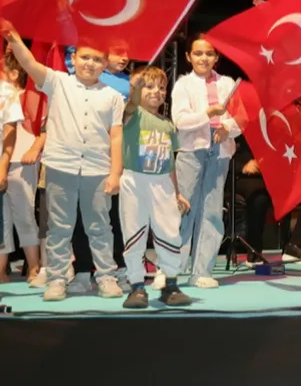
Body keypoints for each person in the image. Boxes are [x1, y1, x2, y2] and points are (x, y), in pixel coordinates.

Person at [2, 23, 125, 302]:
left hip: (97, 169)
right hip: (61, 167)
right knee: (59, 227)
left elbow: (116, 136)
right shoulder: (57, 82)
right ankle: (57, 279)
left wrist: (115, 173)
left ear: (105, 63)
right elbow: (29, 63)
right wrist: (14, 37)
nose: (90, 63)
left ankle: (106, 276)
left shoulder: (112, 96)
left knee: (100, 227)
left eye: (97, 59)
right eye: (85, 57)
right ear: (73, 58)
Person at [170, 35, 241, 290]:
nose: (204, 58)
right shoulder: (183, 84)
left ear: (216, 57)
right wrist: (208, 114)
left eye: (209, 53)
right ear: (188, 57)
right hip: (191, 151)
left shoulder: (228, 83)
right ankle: (171, 267)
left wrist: (228, 128)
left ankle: (202, 271)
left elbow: (241, 117)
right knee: (183, 207)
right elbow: (180, 120)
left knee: (211, 211)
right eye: (198, 53)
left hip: (219, 152)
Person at [118, 66, 192, 308]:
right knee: (134, 232)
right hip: (135, 180)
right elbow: (130, 105)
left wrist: (177, 192)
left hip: (162, 183)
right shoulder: (132, 115)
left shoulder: (168, 124)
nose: (156, 92)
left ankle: (170, 283)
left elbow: (170, 162)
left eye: (161, 88)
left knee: (169, 231)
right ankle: (137, 286)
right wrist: (135, 88)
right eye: (149, 86)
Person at [0, 51, 41, 283]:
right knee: (2, 218)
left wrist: (34, 148)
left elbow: (44, 129)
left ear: (15, 73)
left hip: (21, 161)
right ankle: (1, 270)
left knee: (24, 215)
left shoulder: (30, 97)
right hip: (2, 160)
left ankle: (34, 266)